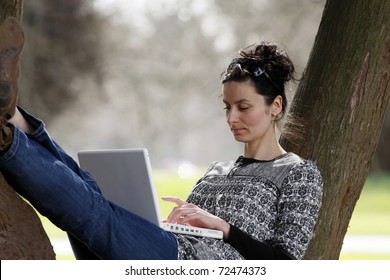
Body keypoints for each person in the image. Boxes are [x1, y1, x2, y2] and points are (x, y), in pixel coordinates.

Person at [0, 17, 323, 260]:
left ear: (275, 106)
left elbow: (286, 264)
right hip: (169, 250)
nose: (231, 118)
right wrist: (177, 221)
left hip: (190, 266)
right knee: (86, 184)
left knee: (94, 213)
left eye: (243, 107)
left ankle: (8, 140)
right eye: (227, 107)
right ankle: (13, 118)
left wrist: (223, 227)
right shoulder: (217, 171)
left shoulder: (299, 174)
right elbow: (190, 230)